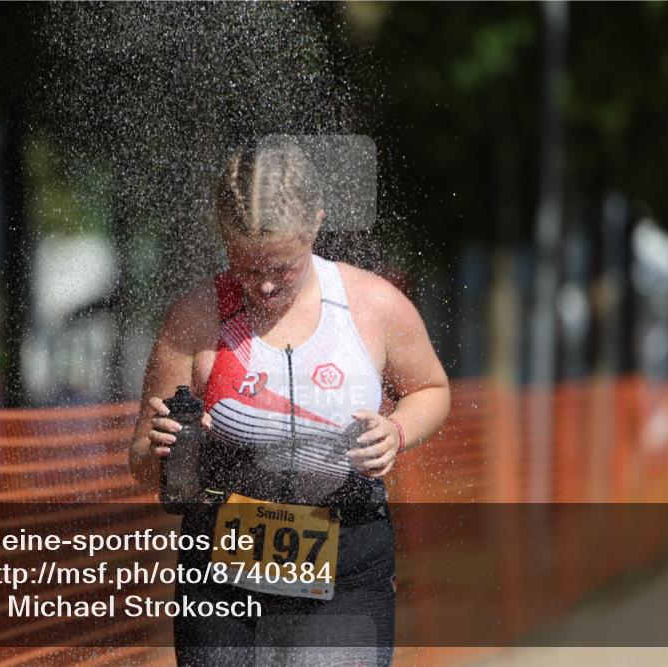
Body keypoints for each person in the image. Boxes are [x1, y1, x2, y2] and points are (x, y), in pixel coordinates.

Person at [129, 142, 450, 666]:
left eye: (283, 265)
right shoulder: (195, 318)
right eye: (246, 265)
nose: (266, 284)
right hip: (222, 573)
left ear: (316, 225)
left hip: (348, 558)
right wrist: (161, 450)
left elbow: (432, 390)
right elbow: (141, 461)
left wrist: (396, 432)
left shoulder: (371, 304)